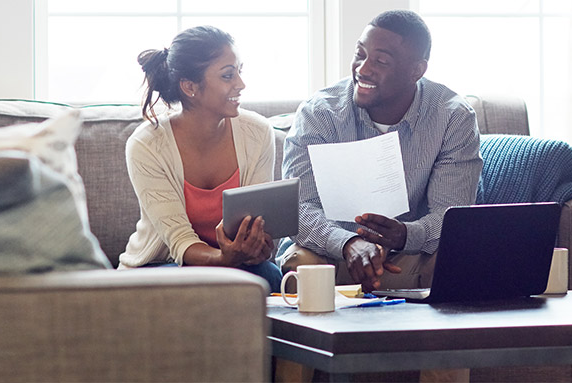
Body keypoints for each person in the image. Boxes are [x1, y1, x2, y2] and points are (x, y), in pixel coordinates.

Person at [280, 10, 481, 291]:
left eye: (380, 61)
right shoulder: (319, 113)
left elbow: (450, 216)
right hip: (328, 252)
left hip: (407, 256)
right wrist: (349, 242)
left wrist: (404, 236)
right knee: (299, 264)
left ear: (416, 71)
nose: (362, 69)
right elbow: (298, 208)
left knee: (457, 257)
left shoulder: (452, 117)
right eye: (360, 54)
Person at [120, 25, 282, 284]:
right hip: (162, 265)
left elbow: (259, 226)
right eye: (228, 76)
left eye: (239, 71)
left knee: (269, 277)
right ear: (189, 86)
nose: (241, 84)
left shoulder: (258, 133)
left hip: (231, 267)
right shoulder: (147, 145)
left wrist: (256, 248)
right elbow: (180, 241)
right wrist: (224, 259)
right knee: (193, 287)